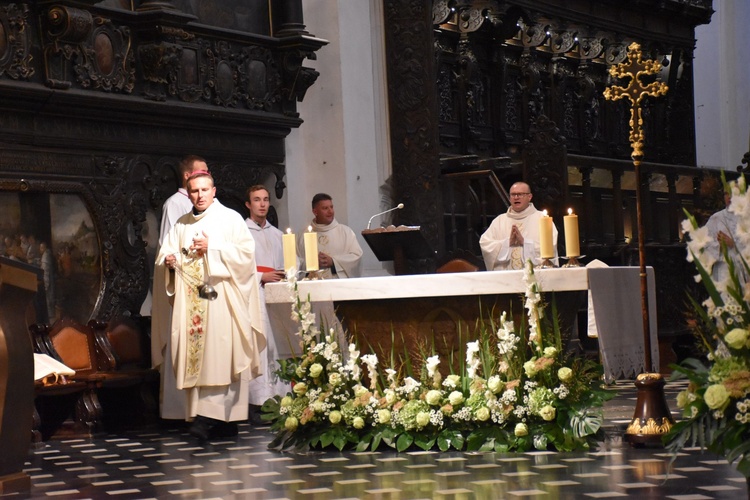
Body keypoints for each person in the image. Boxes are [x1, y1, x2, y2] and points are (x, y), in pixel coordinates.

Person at [155, 172, 266, 441]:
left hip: (220, 302)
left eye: (205, 190)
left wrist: (212, 248)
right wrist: (168, 262)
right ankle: (220, 421)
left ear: (214, 191)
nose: (200, 195)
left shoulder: (230, 218)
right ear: (189, 192)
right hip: (190, 302)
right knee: (199, 360)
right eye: (194, 191)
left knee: (219, 359)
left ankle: (210, 419)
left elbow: (246, 256)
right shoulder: (181, 224)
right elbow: (164, 254)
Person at [151, 155, 210, 422]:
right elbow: (168, 247)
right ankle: (179, 411)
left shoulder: (216, 210)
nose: (201, 191)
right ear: (187, 177)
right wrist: (174, 260)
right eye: (202, 172)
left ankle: (208, 412)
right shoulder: (174, 205)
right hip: (185, 290)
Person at [244, 185, 289, 424]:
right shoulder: (241, 232)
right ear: (248, 205)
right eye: (256, 200)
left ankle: (281, 398)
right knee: (259, 346)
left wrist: (288, 272)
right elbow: (235, 265)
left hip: (277, 295)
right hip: (255, 293)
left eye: (265, 200)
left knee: (278, 345)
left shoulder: (278, 234)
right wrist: (261, 276)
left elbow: (291, 261)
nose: (262, 204)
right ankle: (259, 402)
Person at [479, 182, 559, 270]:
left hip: (534, 277)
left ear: (529, 197)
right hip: (506, 278)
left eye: (520, 194)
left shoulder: (542, 219)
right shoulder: (499, 220)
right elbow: (485, 244)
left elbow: (550, 246)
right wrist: (507, 243)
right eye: (513, 194)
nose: (516, 197)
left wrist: (524, 242)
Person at [302, 193, 363, 279]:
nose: (330, 211)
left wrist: (333, 262)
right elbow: (295, 262)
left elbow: (357, 257)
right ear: (315, 212)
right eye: (325, 208)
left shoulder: (345, 232)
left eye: (331, 207)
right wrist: (312, 263)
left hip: (338, 287)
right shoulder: (302, 236)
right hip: (311, 287)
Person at [704, 188, 745, 285]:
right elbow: (704, 245)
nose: (729, 197)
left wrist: (733, 244)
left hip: (744, 271)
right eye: (726, 194)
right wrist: (719, 246)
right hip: (723, 271)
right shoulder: (716, 218)